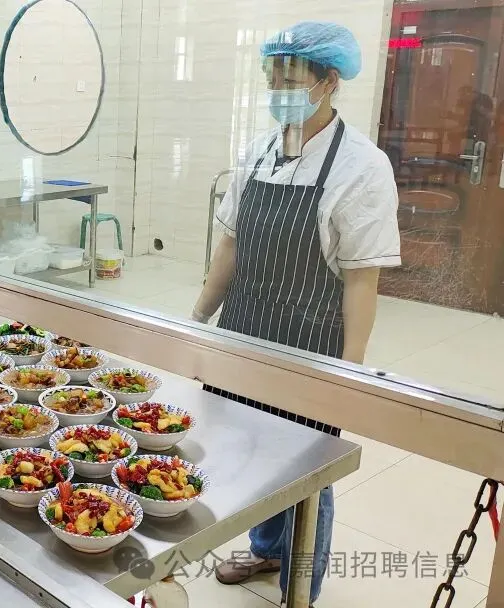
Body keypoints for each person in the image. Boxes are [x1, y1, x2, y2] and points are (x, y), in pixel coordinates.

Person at [190, 22, 401, 605]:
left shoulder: (361, 166)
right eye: (272, 78)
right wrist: (196, 320)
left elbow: (362, 279)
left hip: (311, 340)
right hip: (245, 329)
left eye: (290, 79)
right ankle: (266, 549)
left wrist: (349, 372)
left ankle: (300, 586)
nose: (278, 90)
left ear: (328, 82)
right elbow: (230, 244)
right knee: (248, 448)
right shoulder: (258, 150)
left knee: (308, 470)